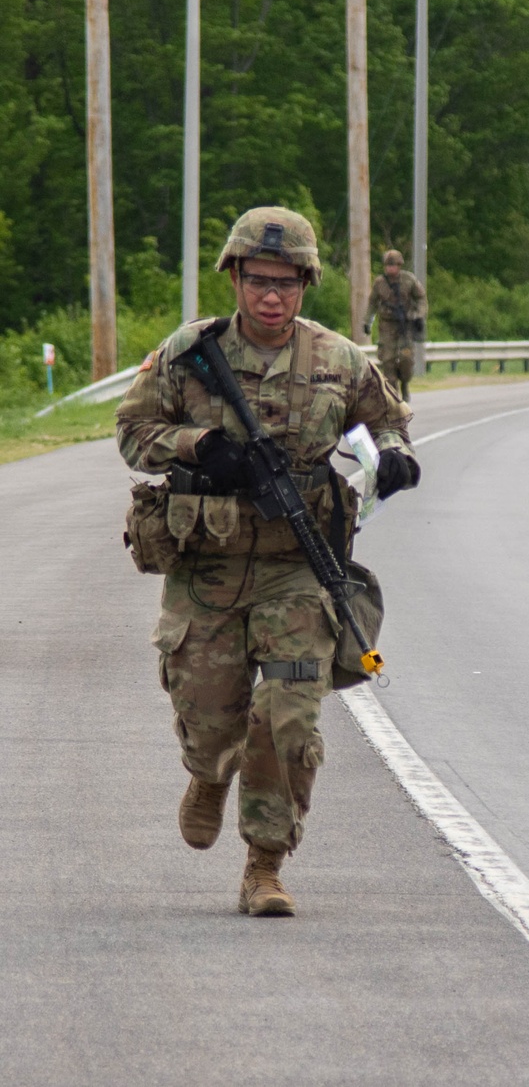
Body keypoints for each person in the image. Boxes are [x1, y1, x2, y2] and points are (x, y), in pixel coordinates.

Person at [116, 206, 419, 917]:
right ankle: (209, 772)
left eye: (286, 281)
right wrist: (197, 448)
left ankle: (264, 866)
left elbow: (386, 418)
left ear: (307, 282)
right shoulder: (191, 352)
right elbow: (132, 433)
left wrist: (396, 457)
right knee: (213, 721)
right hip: (209, 566)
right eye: (258, 279)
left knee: (288, 716)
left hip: (296, 568)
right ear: (234, 276)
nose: (272, 295)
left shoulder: (338, 361)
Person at [363, 249, 428, 401]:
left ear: (399, 266)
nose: (390, 268)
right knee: (388, 360)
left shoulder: (409, 280)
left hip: (405, 326)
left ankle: (404, 383)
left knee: (406, 359)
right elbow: (372, 303)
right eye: (387, 265)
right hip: (387, 326)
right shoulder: (379, 283)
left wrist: (419, 316)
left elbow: (421, 299)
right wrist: (367, 322)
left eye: (393, 265)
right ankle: (393, 394)